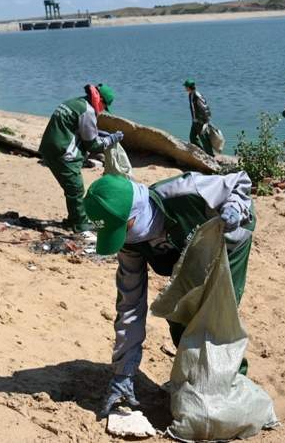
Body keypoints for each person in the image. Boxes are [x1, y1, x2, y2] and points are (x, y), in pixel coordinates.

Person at [84, 171, 256, 414]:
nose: (124, 239)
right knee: (178, 315)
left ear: (136, 211)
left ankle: (231, 388)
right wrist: (124, 372)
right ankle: (197, 382)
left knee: (215, 316)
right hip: (188, 255)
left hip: (230, 240)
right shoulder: (130, 244)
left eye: (123, 229)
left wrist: (234, 209)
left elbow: (240, 181)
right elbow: (130, 307)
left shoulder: (184, 191)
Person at [38, 83, 123, 241]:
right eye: (104, 107)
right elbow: (93, 145)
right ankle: (81, 229)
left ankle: (74, 220)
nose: (103, 110)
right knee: (76, 189)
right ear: (100, 100)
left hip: (49, 149)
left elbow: (77, 127)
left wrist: (102, 133)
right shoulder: (88, 111)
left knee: (71, 189)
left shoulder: (75, 103)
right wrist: (111, 139)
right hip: (63, 153)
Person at [183, 79, 214, 156]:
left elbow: (204, 107)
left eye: (186, 86)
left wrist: (206, 120)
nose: (185, 88)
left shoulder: (197, 95)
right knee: (192, 137)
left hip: (201, 121)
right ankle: (202, 152)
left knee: (204, 139)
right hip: (195, 121)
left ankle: (210, 155)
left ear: (189, 87)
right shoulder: (190, 95)